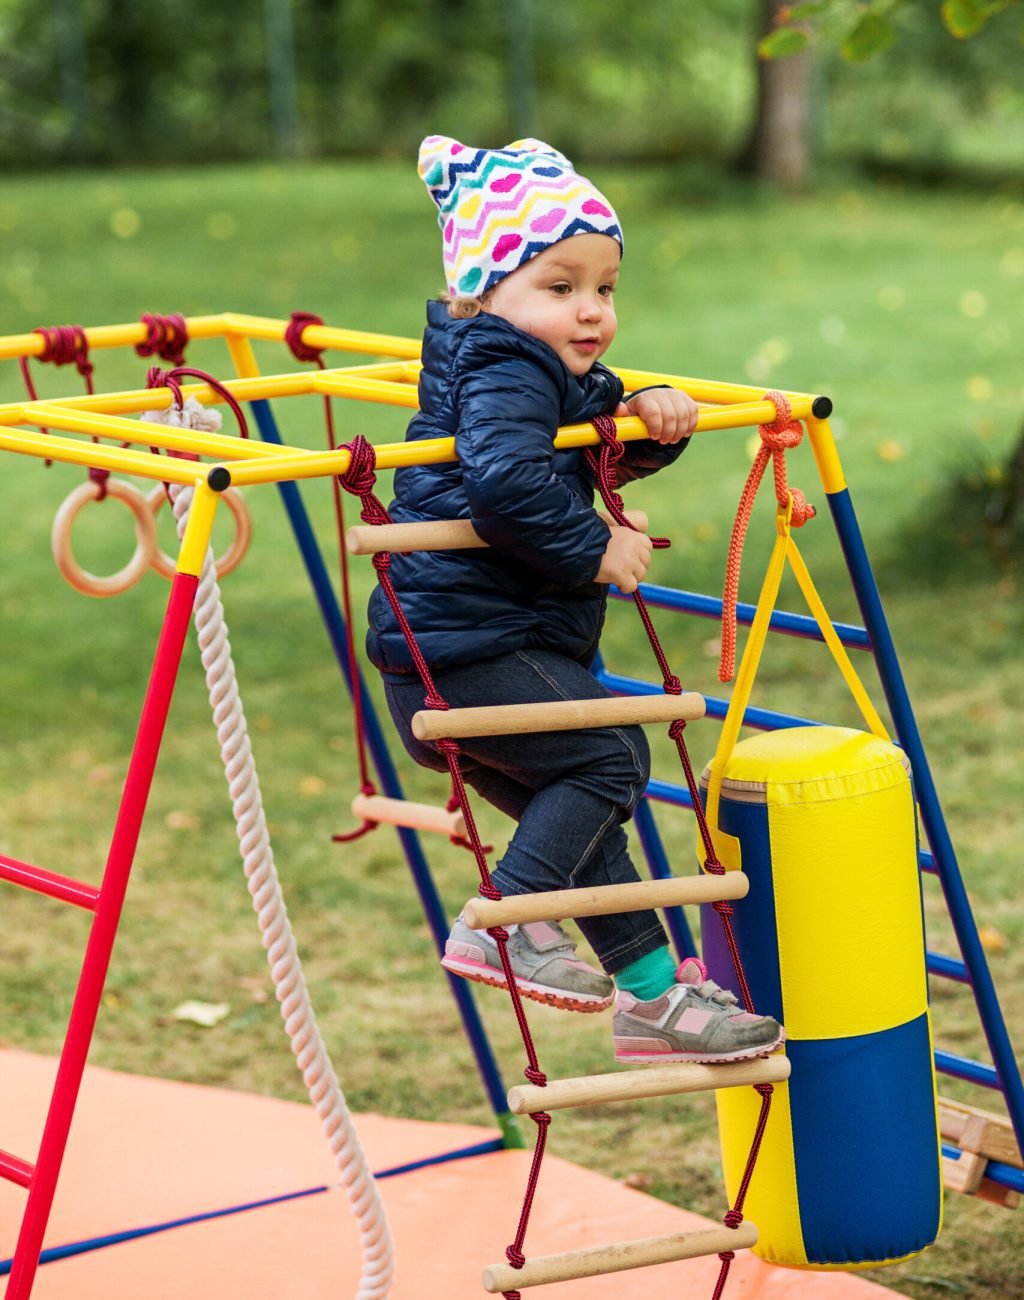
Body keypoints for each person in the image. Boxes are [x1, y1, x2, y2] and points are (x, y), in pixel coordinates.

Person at [366, 135, 783, 1063]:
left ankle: (648, 998)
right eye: (561, 287)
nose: (591, 311)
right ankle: (507, 926)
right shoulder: (505, 367)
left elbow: (579, 444)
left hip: (460, 650)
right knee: (610, 759)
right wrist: (599, 546)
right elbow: (510, 484)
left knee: (585, 806)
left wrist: (652, 419)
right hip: (468, 652)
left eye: (605, 288)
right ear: (483, 294)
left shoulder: (533, 363)